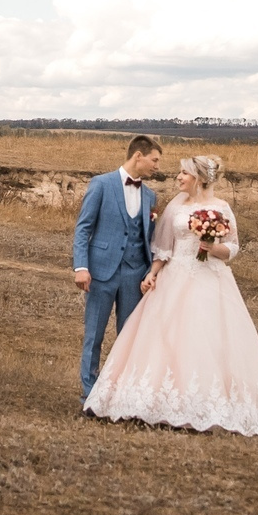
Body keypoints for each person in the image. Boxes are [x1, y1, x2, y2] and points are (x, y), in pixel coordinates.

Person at [83, 155, 258, 438]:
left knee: (207, 339)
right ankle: (157, 400)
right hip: (174, 277)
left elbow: (233, 248)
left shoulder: (221, 207)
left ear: (200, 179)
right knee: (165, 338)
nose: (178, 177)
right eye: (179, 173)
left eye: (184, 173)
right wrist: (153, 273)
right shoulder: (175, 206)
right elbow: (164, 247)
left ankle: (204, 403)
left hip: (210, 279)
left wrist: (211, 247)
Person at [73, 136, 162, 402]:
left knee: (129, 337)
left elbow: (149, 237)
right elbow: (83, 228)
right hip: (101, 271)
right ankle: (90, 394)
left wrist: (150, 272)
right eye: (154, 160)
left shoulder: (150, 195)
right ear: (138, 155)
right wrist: (81, 266)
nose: (157, 166)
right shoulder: (101, 184)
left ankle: (122, 393)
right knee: (95, 335)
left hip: (135, 274)